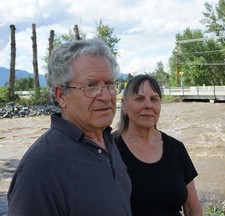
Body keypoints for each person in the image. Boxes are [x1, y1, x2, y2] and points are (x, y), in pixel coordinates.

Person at [7, 38, 132, 216]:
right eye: (91, 86)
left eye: (110, 84)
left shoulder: (108, 142)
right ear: (61, 96)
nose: (106, 96)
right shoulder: (38, 172)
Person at [113, 74, 202, 216]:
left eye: (154, 99)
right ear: (124, 105)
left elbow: (193, 209)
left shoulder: (176, 148)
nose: (148, 105)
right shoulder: (110, 149)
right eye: (139, 99)